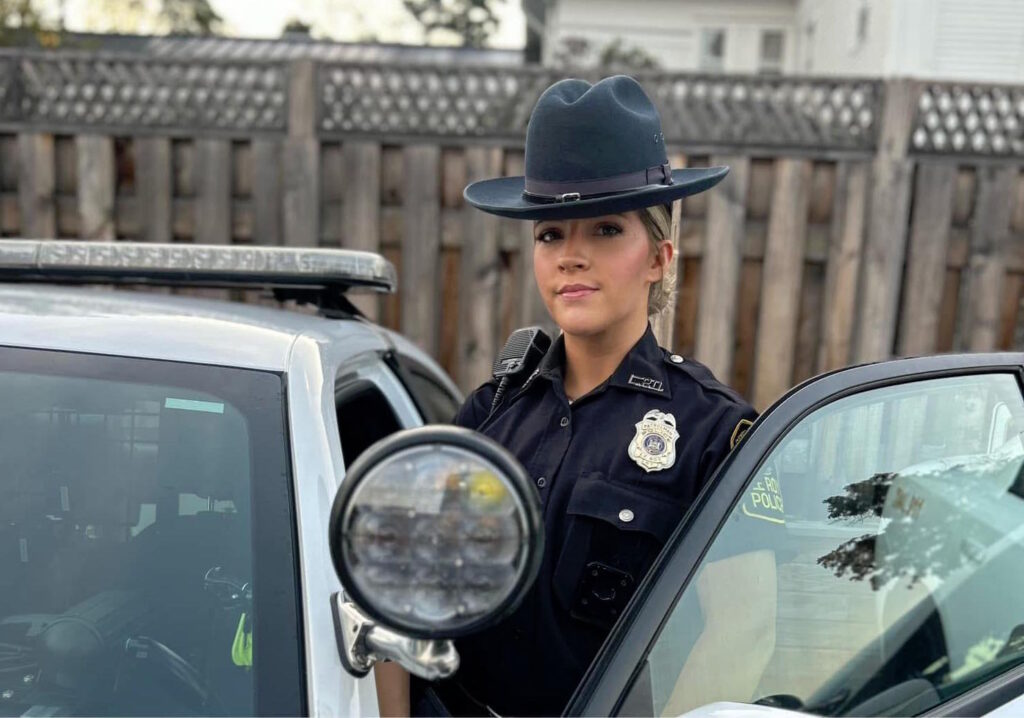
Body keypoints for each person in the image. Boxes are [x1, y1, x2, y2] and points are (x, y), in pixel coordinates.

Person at [378, 75, 779, 717]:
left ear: (659, 258)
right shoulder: (489, 415)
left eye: (606, 230)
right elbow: (401, 603)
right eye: (550, 234)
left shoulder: (711, 433)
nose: (571, 256)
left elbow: (743, 632)